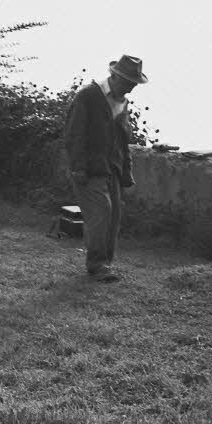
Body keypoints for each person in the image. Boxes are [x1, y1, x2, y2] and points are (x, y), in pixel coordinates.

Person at [63, 54, 147, 283]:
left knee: (113, 218)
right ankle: (97, 265)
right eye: (128, 82)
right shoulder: (88, 96)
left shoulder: (123, 102)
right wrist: (78, 168)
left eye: (133, 84)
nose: (130, 88)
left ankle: (104, 264)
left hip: (113, 169)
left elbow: (122, 141)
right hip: (89, 169)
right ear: (114, 76)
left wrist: (127, 170)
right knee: (101, 213)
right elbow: (74, 134)